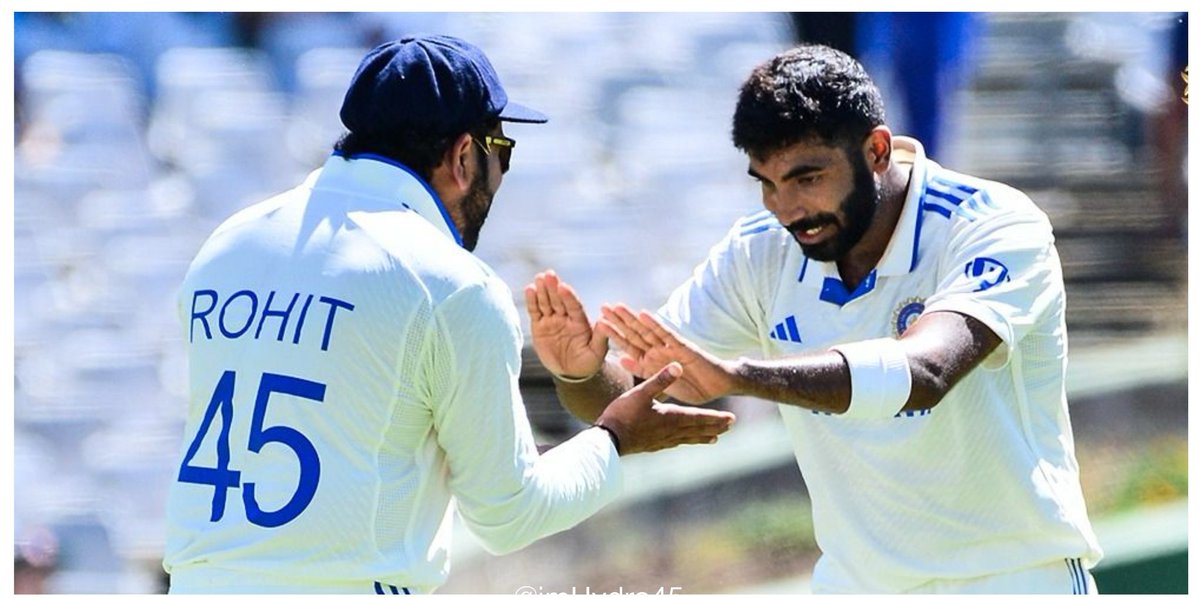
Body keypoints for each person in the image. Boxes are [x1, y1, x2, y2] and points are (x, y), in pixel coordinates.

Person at [162, 35, 735, 594]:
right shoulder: (450, 284)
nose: (502, 173)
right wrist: (614, 439)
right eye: (502, 151)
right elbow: (509, 513)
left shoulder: (228, 244)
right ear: (464, 155)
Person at [527, 44, 1102, 593]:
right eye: (767, 184)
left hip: (1014, 579)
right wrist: (583, 373)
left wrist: (740, 376)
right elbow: (629, 394)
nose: (787, 209)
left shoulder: (994, 223)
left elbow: (925, 372)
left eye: (807, 178)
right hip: (853, 584)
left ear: (876, 150)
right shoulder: (758, 250)